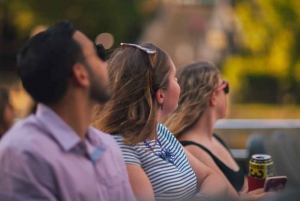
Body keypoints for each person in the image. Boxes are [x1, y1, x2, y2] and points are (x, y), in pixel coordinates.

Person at [0, 21, 136, 201]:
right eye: (99, 53)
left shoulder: (106, 145)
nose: (107, 63)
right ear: (80, 74)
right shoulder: (23, 154)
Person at [93, 43, 229, 201]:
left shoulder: (160, 133)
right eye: (174, 78)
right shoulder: (121, 148)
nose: (178, 83)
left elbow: (214, 179)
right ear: (161, 95)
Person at [164, 61, 266, 200]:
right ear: (213, 97)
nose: (226, 94)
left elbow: (245, 190)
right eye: (225, 87)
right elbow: (233, 198)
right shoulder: (192, 150)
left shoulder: (214, 139)